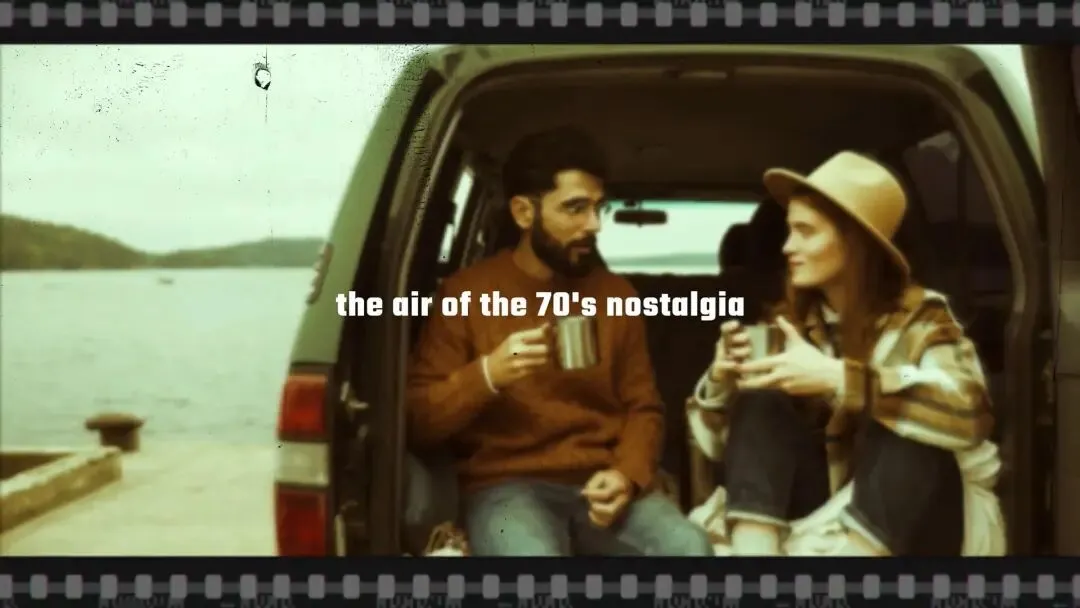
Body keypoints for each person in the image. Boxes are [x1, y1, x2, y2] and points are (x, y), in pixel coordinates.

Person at [406, 126, 713, 557]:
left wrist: (626, 476)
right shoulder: (467, 293)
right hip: (505, 489)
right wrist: (488, 374)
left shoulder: (616, 295)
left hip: (600, 481)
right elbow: (418, 421)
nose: (594, 225)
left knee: (690, 548)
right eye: (575, 209)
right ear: (523, 213)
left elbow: (643, 408)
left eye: (598, 208)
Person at [686, 151, 1005, 557]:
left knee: (908, 423)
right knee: (761, 398)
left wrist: (839, 378)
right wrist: (721, 381)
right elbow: (715, 451)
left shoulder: (923, 318)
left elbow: (970, 412)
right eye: (789, 231)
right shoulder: (793, 321)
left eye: (805, 232)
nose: (787, 246)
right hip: (827, 508)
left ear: (854, 242)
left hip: (918, 516)